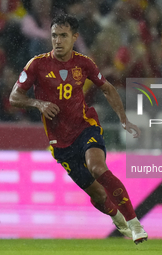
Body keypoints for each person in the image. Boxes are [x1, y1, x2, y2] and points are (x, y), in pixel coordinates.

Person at [9, 14, 148, 244]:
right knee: (98, 195)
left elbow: (108, 88)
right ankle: (116, 217)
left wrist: (123, 119)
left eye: (63, 36)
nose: (58, 40)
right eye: (54, 35)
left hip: (85, 127)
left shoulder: (84, 63)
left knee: (97, 167)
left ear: (75, 37)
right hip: (60, 144)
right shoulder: (37, 64)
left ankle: (134, 223)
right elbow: (14, 96)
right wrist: (38, 103)